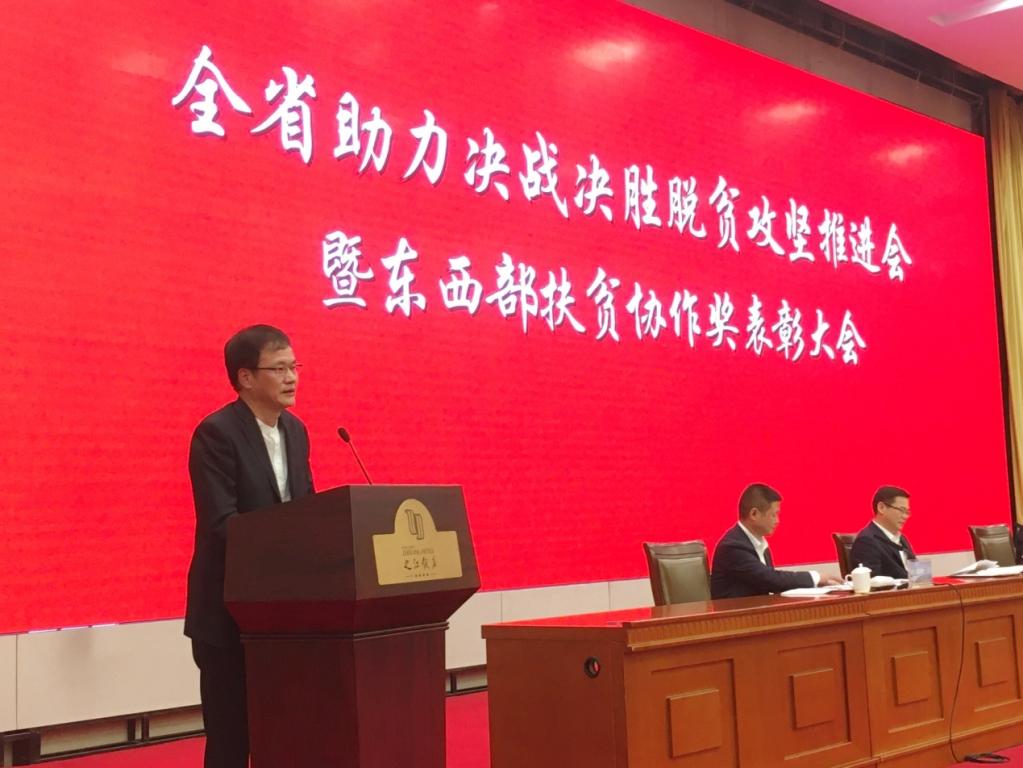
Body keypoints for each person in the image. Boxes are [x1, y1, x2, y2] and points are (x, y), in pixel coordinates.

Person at [184, 325, 315, 768]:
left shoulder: (296, 431)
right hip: (228, 614)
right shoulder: (216, 434)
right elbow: (222, 525)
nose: (291, 377)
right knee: (231, 740)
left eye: (294, 367)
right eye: (279, 368)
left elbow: (308, 512)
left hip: (284, 618)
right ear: (245, 377)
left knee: (284, 736)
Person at [710, 483, 842, 599]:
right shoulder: (733, 547)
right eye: (773, 515)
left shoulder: (759, 543)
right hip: (736, 617)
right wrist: (816, 577)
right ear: (754, 514)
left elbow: (774, 584)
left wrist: (817, 587)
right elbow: (770, 579)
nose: (777, 521)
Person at [849, 486, 915, 579]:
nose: (905, 516)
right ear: (881, 507)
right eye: (901, 510)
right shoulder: (866, 540)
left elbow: (917, 574)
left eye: (907, 512)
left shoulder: (902, 539)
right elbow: (872, 581)